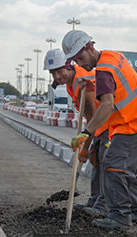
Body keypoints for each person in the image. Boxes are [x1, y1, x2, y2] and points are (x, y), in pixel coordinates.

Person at [61, 30, 137, 230]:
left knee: (113, 165)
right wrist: (94, 82)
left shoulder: (104, 71)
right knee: (126, 170)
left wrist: (86, 133)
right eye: (75, 61)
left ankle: (120, 216)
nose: (80, 64)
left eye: (81, 58)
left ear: (90, 47)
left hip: (133, 123)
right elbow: (117, 81)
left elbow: (106, 106)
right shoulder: (112, 57)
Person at [43, 48, 106, 218]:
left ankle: (102, 206)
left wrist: (85, 147)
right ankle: (94, 200)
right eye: (52, 73)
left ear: (69, 66)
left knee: (105, 163)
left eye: (59, 71)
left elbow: (93, 116)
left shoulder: (82, 81)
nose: (57, 77)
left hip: (109, 125)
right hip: (99, 127)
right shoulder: (73, 83)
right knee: (96, 162)